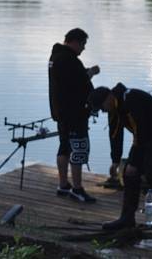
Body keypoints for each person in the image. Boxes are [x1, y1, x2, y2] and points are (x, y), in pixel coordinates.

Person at [88, 82, 152, 235]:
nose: (102, 111)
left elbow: (141, 130)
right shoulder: (114, 107)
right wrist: (115, 160)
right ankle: (127, 218)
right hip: (145, 134)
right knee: (129, 173)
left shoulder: (130, 100)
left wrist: (134, 161)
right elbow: (115, 135)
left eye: (102, 107)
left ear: (108, 98)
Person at [48, 28, 100, 202]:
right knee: (78, 147)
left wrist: (85, 73)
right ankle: (77, 189)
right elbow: (79, 81)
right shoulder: (68, 59)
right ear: (75, 42)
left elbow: (70, 80)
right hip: (74, 113)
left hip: (61, 113)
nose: (83, 48)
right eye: (83, 44)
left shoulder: (55, 57)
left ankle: (63, 185)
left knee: (64, 147)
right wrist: (91, 72)